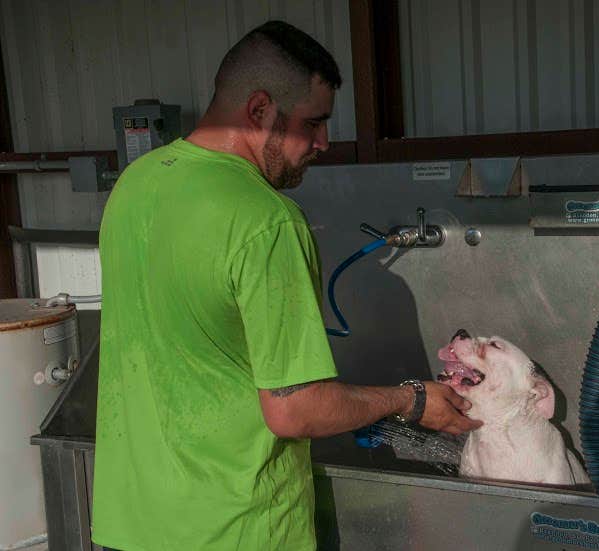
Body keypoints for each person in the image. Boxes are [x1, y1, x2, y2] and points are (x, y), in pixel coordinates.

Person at [91, 20, 481, 551]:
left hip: (132, 524)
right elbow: (296, 408)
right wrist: (410, 400)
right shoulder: (267, 221)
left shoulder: (136, 183)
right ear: (259, 111)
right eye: (313, 123)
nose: (324, 142)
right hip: (236, 531)